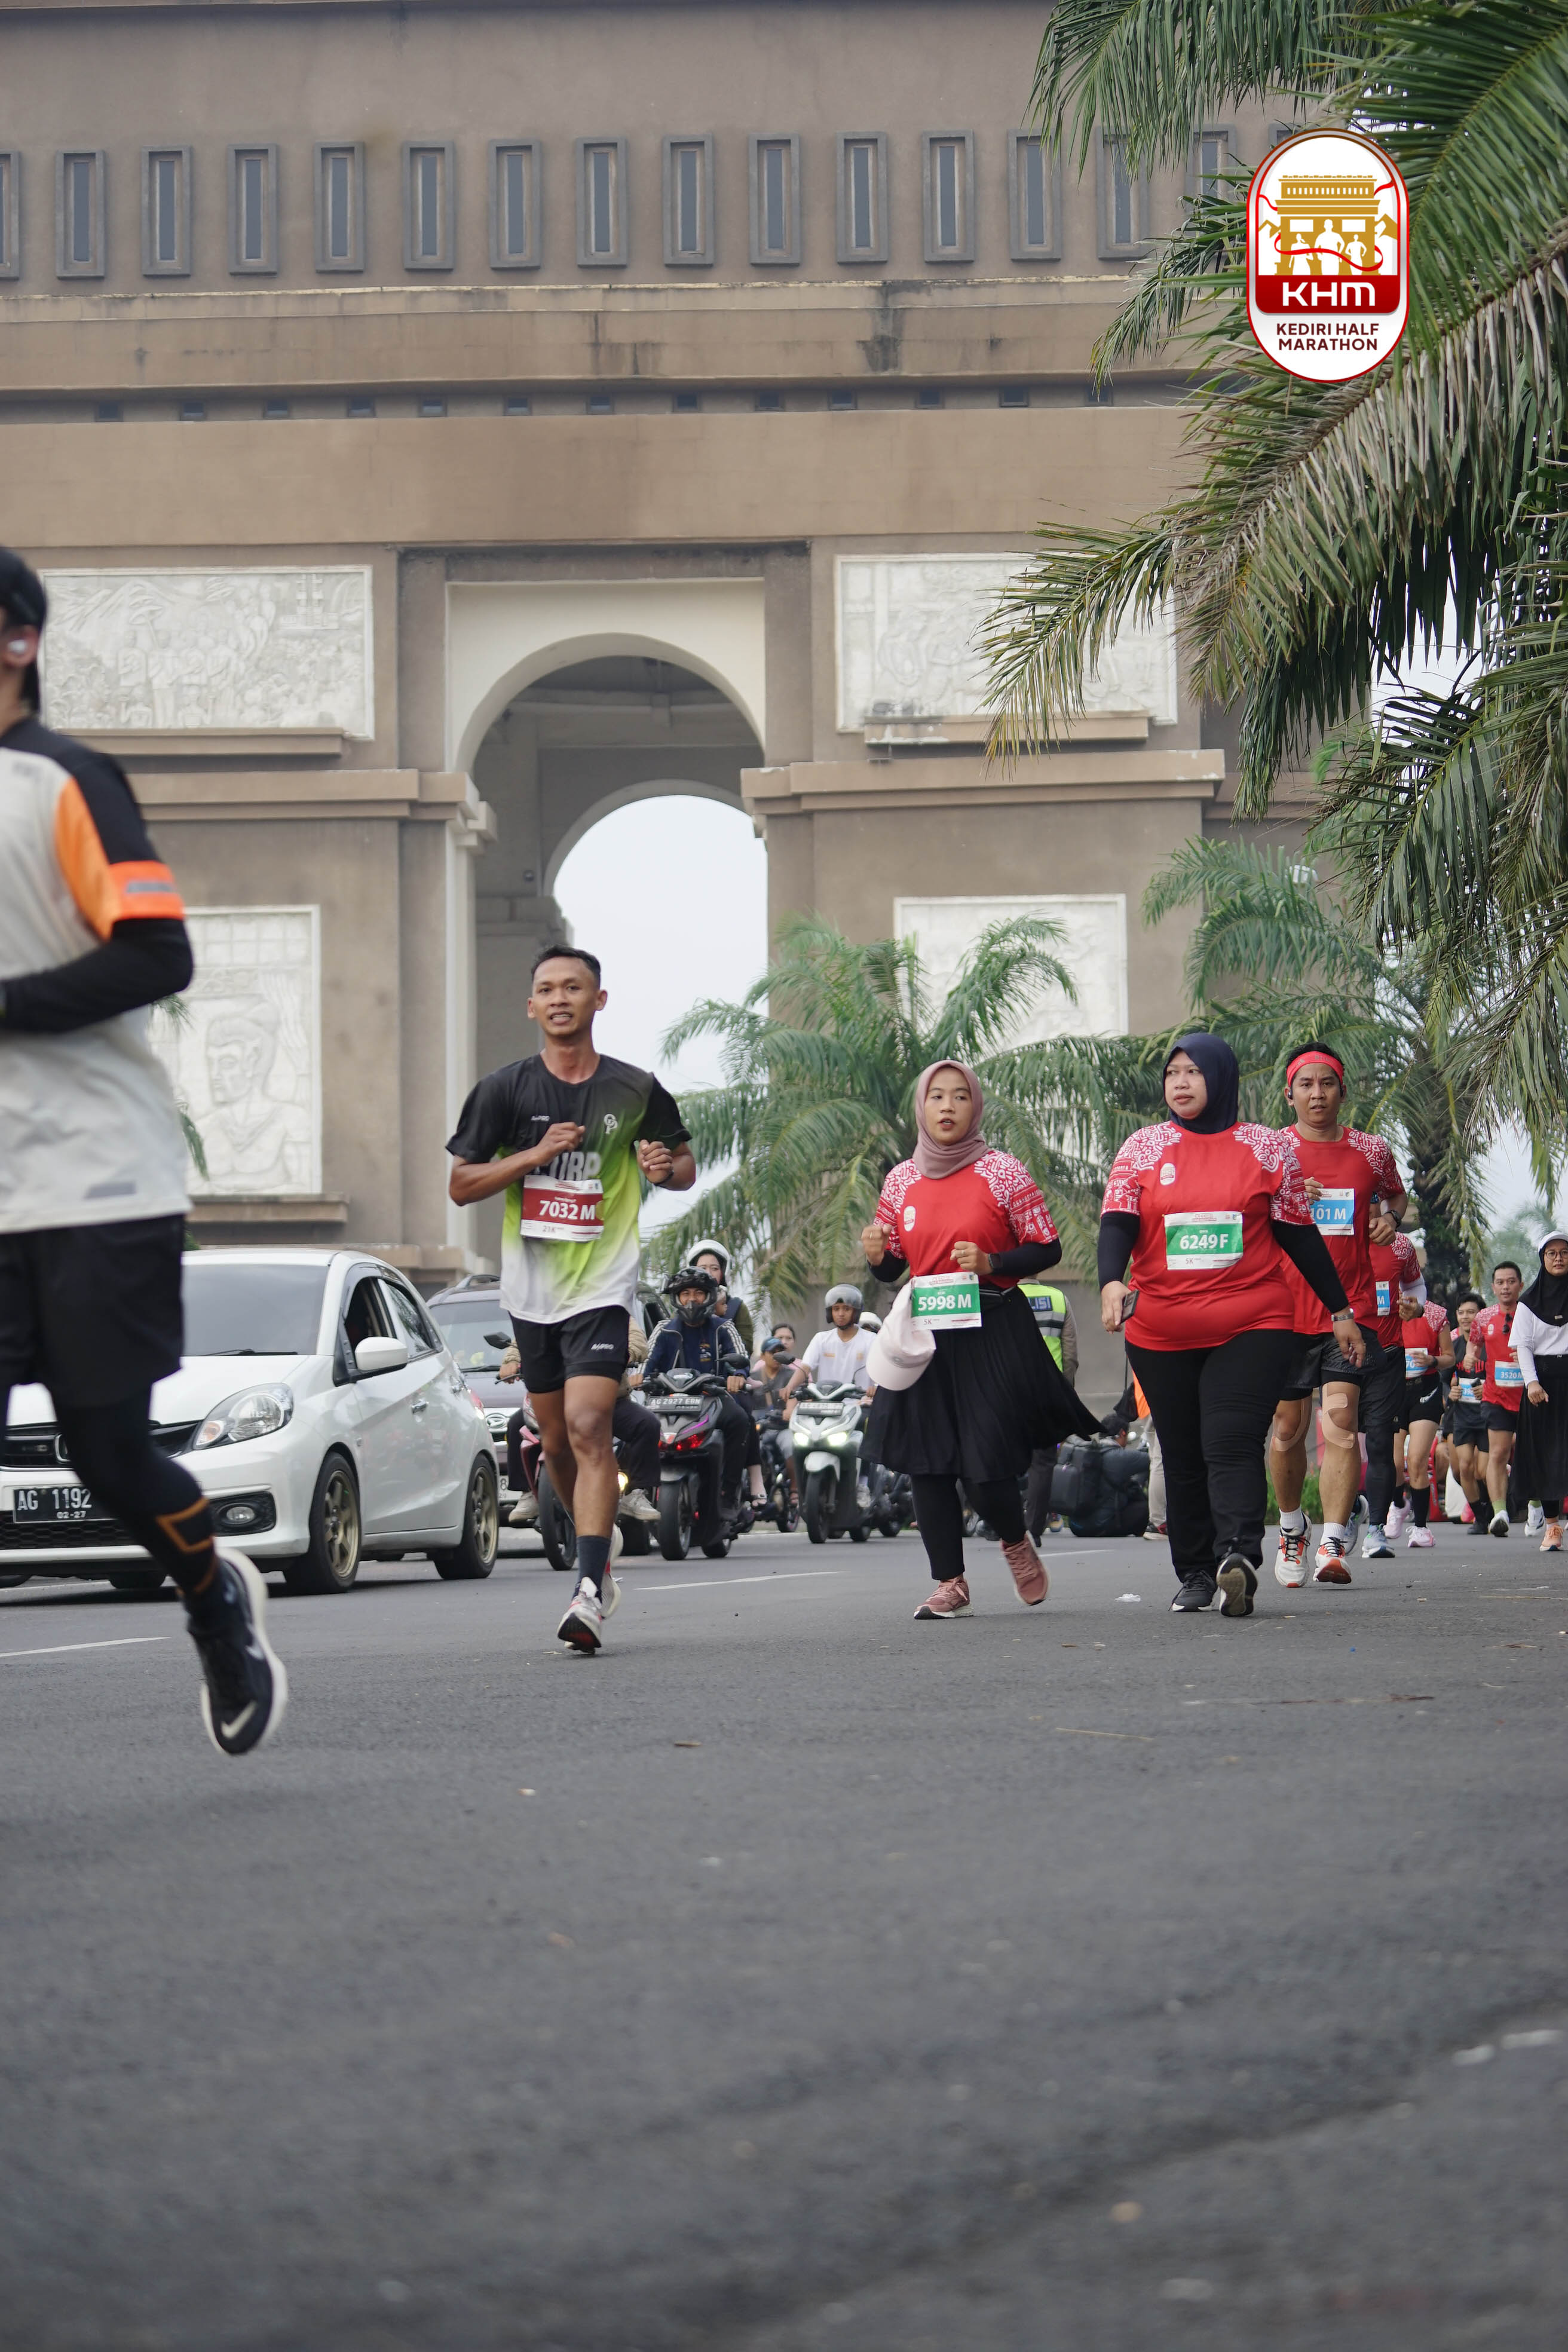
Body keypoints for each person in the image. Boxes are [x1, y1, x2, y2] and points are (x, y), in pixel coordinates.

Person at [0, 546, 286, 1753]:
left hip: (94, 1178)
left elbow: (158, 952)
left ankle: (213, 1602)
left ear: (18, 641)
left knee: (109, 1449)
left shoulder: (65, 782)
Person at [447, 943, 694, 1653]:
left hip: (602, 1285)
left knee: (589, 1425)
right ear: (532, 1005)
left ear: (598, 1001)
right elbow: (461, 1184)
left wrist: (663, 1168)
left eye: (574, 988)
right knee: (554, 1439)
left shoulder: (635, 1088)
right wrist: (532, 1156)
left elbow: (683, 1166)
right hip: (531, 1292)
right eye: (548, 989)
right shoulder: (502, 1090)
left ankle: (588, 1588)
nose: (560, 999)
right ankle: (597, 1544)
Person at [1099, 1033, 1358, 1616]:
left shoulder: (1266, 1147)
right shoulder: (1142, 1148)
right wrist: (1111, 1281)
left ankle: (1237, 1554)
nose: (1181, 1082)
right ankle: (1194, 1572)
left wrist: (1340, 1312)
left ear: (1220, 1078)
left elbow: (1297, 1234)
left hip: (1252, 1322)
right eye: (1173, 1073)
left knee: (1231, 1439)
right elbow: (1117, 1221)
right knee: (1183, 1451)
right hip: (1160, 1331)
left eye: (1193, 1071)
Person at [861, 1060, 1095, 1618]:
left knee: (985, 1464)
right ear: (922, 1107)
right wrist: (877, 1258)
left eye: (960, 1096)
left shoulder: (1002, 1171)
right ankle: (950, 1583)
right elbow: (894, 1266)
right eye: (936, 1097)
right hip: (925, 1334)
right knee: (928, 1464)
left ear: (975, 1107)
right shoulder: (901, 1180)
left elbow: (1047, 1246)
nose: (947, 1106)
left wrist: (994, 1262)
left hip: (991, 1327)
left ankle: (1015, 1541)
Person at [1267, 1044, 1407, 1587]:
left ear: (1342, 1092)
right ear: (1290, 1094)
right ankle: (1291, 1527)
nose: (1317, 1094)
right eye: (1306, 1085)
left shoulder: (1371, 1150)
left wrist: (1390, 1220)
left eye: (1327, 1083)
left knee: (1342, 1421)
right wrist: (1287, 1198)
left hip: (1351, 1309)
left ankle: (1331, 1541)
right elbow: (1248, 1215)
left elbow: (1396, 1197)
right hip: (1284, 1310)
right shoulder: (1272, 1150)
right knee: (1287, 1428)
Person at [642, 1264, 764, 1508]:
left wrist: (738, 1375)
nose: (692, 1300)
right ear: (676, 1298)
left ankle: (728, 1492)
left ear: (710, 1297)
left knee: (741, 1420)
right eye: (685, 1294)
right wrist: (638, 1377)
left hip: (712, 1398)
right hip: (666, 1402)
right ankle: (635, 1491)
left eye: (699, 1293)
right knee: (636, 1426)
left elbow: (740, 1357)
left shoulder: (723, 1327)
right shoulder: (664, 1329)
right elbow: (647, 1361)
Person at [1367, 1223, 1429, 1539]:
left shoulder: (1401, 1245)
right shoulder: (1329, 1230)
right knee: (1344, 1441)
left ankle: (1379, 1528)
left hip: (1393, 1358)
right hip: (1340, 1353)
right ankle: (1346, 1516)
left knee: (1387, 1447)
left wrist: (1416, 1306)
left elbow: (1416, 1286)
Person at [1509, 1233, 1568, 1552]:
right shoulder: (1529, 1302)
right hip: (1542, 1386)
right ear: (1543, 1259)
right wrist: (1531, 1383)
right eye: (1552, 1253)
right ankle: (1552, 1526)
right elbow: (1523, 1346)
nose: (1559, 1258)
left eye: (1564, 1253)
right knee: (1547, 1455)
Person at [1391, 1291, 1454, 1548]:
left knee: (1417, 1460)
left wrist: (1433, 1360)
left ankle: (1421, 1529)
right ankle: (1398, 1505)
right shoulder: (1384, 1310)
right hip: (1393, 1391)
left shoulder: (1436, 1314)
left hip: (1425, 1390)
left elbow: (1450, 1356)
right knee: (1393, 1462)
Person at [1019, 1276, 1078, 1540]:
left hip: (1009, 1389)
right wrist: (1066, 1393)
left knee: (1003, 1458)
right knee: (1042, 1462)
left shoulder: (1002, 1297)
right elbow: (1070, 1356)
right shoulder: (1058, 1299)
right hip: (1048, 1390)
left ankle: (1005, 1526)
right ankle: (1033, 1529)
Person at [1470, 1260, 1525, 1536]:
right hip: (1496, 1397)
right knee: (1498, 1454)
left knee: (1531, 1454)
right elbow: (1473, 1344)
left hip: (1529, 1396)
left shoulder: (1531, 1315)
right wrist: (1470, 1356)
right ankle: (1500, 1512)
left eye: (1511, 1282)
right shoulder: (1483, 1318)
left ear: (1521, 1285)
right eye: (1501, 1283)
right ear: (1493, 1287)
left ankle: (1537, 1506)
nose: (1506, 1287)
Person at [1446, 1292, 1489, 1519]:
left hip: (1488, 1416)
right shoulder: (1453, 1347)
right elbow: (1443, 1381)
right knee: (1464, 1468)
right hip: (1462, 1416)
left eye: (1471, 1312)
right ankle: (1481, 1517)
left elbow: (1506, 1376)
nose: (1465, 1317)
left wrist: (1488, 1388)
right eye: (1461, 1312)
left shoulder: (1491, 1344)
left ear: (1481, 1315)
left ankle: (1496, 1508)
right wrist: (1450, 1392)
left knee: (1483, 1472)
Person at [688, 1239, 754, 1356]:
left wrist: (718, 1320)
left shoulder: (736, 1307)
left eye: (715, 1268)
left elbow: (746, 1348)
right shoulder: (684, 1304)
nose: (708, 1273)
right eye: (702, 1268)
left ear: (723, 1272)